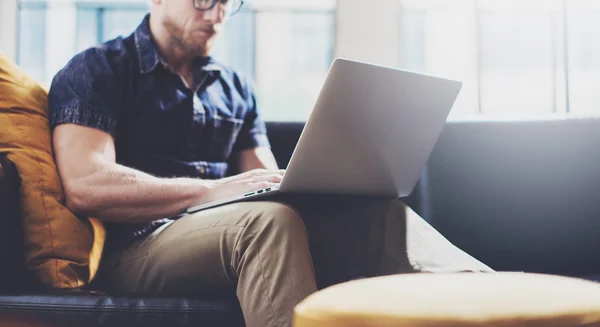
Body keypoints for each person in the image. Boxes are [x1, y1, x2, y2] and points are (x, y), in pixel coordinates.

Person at [48, 0, 493, 326]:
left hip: (223, 231)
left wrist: (335, 193)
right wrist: (211, 191)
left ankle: (509, 306)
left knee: (382, 216)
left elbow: (268, 182)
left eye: (227, 3)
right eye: (203, 1)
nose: (217, 14)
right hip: (136, 250)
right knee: (267, 224)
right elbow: (87, 184)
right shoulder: (97, 69)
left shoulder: (236, 87)